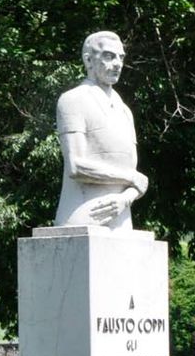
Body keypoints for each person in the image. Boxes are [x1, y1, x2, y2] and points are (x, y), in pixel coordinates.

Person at [54, 31, 148, 231]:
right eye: (109, 56)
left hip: (122, 219)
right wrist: (132, 179)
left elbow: (134, 172)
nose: (117, 63)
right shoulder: (72, 100)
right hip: (82, 216)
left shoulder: (125, 111)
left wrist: (126, 198)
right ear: (88, 60)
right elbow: (76, 166)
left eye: (121, 57)